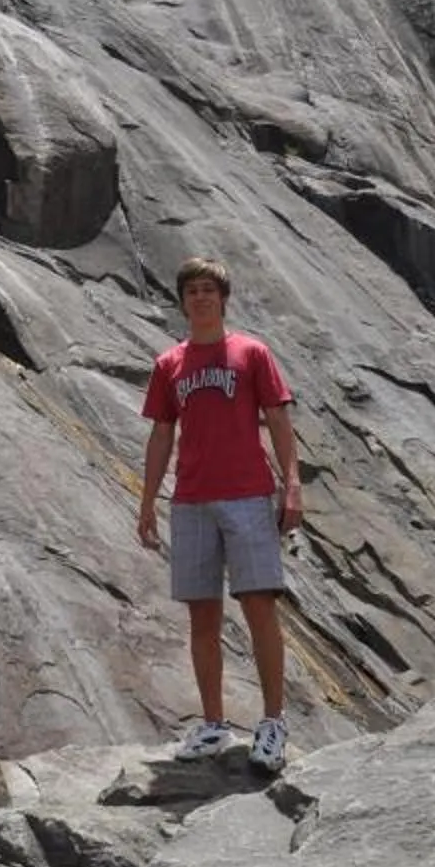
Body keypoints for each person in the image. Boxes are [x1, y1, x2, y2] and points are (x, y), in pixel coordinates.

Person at [136, 256, 304, 774]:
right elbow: (162, 433)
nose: (201, 298)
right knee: (202, 616)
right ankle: (213, 723)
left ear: (223, 298)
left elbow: (277, 420)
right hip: (191, 502)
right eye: (192, 292)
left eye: (209, 290)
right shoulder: (170, 365)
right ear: (183, 301)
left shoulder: (251, 353)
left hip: (248, 497)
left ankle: (272, 722)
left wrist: (291, 487)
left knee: (259, 610)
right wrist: (147, 501)